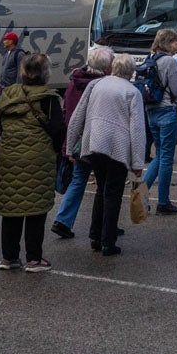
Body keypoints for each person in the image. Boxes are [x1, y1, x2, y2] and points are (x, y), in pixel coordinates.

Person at [64, 54, 146, 256]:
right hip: (117, 147)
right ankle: (109, 240)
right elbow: (137, 129)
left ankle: (95, 236)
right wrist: (137, 162)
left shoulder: (96, 85)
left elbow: (78, 116)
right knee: (113, 193)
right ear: (131, 72)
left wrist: (69, 147)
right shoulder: (132, 92)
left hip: (94, 143)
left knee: (101, 189)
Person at [0, 53, 64, 272]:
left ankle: (9, 257)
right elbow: (58, 130)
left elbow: (3, 127)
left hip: (9, 155)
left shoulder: (9, 94)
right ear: (45, 73)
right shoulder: (48, 98)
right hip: (38, 157)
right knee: (35, 207)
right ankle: (34, 258)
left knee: (11, 206)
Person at [51, 45, 113, 240]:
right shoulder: (103, 85)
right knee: (107, 183)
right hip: (97, 139)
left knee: (79, 179)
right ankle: (107, 223)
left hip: (77, 138)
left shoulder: (74, 81)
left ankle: (63, 219)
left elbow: (68, 112)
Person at [140, 29, 177, 214]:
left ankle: (140, 193)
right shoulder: (169, 62)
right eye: (175, 42)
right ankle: (163, 201)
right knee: (166, 158)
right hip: (166, 111)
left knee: (159, 155)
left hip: (151, 111)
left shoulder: (150, 59)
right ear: (168, 42)